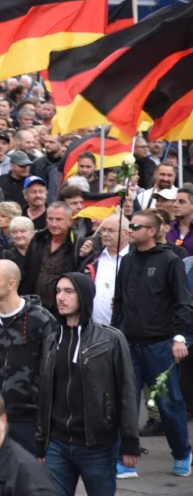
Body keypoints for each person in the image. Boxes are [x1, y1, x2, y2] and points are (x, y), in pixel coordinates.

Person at [39, 273, 140, 494]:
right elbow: (44, 392)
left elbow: (127, 392)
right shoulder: (51, 339)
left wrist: (130, 441)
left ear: (84, 296)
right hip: (57, 443)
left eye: (68, 291)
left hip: (97, 445)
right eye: (57, 291)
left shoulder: (110, 339)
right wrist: (40, 441)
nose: (60, 297)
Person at [110, 209, 193, 476]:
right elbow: (119, 303)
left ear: (152, 231)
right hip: (128, 345)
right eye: (130, 225)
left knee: (169, 404)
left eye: (136, 226)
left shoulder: (170, 260)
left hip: (160, 346)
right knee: (126, 404)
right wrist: (113, 335)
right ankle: (126, 458)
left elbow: (183, 302)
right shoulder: (127, 261)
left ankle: (182, 453)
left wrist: (179, 337)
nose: (130, 229)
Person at [0, 259, 58, 453]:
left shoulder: (42, 320)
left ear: (11, 284)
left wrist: (43, 431)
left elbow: (52, 377)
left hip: (29, 421)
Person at [21, 202, 82, 315]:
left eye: (59, 219)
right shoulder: (37, 239)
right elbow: (26, 270)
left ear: (70, 221)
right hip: (34, 308)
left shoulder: (78, 244)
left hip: (63, 310)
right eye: (50, 219)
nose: (54, 224)